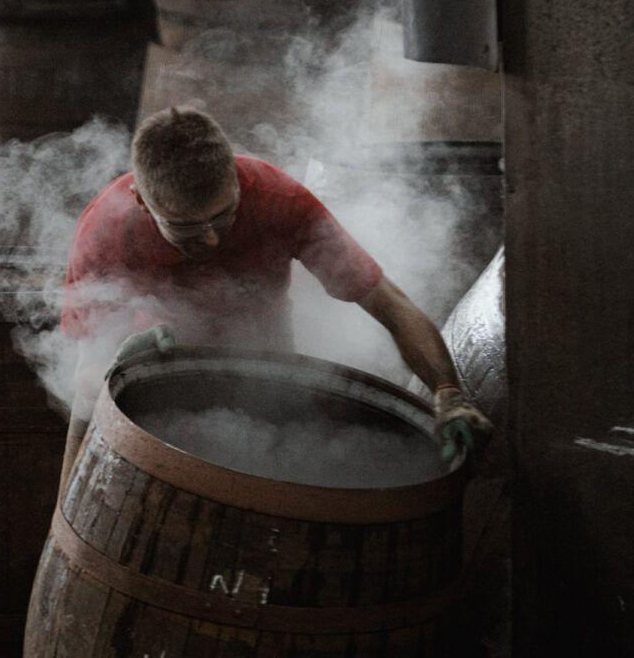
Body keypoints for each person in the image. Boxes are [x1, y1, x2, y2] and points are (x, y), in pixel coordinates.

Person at [59, 106, 493, 491]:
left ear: (234, 179)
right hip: (150, 390)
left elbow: (390, 304)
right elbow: (85, 383)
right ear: (140, 200)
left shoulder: (279, 200)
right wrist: (120, 361)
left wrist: (448, 392)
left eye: (224, 215)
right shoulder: (107, 232)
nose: (211, 238)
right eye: (187, 229)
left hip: (264, 369)